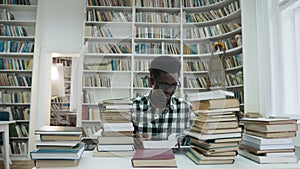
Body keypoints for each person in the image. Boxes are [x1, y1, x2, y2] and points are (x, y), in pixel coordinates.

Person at [131, 56, 192, 146]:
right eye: (163, 86)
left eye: (174, 85)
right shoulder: (133, 108)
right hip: (143, 159)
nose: (169, 90)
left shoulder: (187, 109)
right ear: (151, 81)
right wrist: (131, 140)